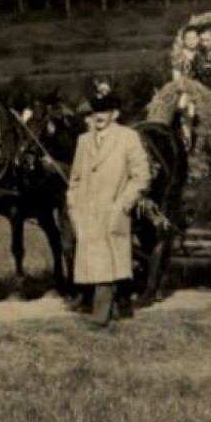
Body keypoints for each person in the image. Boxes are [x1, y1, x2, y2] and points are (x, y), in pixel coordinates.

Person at [65, 91, 150, 327]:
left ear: (115, 114)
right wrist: (73, 203)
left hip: (112, 209)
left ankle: (100, 314)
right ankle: (111, 308)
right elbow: (75, 178)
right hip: (86, 210)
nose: (98, 116)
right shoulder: (84, 141)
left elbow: (141, 176)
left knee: (107, 260)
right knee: (95, 261)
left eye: (104, 111)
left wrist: (123, 204)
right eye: (95, 112)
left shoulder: (127, 138)